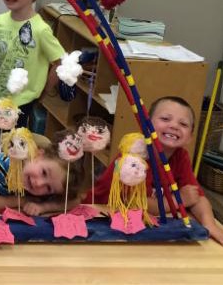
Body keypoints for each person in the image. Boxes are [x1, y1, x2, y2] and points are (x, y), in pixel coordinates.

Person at [87, 96, 223, 244]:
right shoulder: (134, 156)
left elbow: (196, 196)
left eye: (183, 124)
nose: (174, 126)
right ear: (147, 127)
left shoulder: (180, 156)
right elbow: (139, 205)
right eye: (165, 119)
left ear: (190, 137)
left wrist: (210, 225)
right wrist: (179, 199)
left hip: (139, 224)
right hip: (98, 218)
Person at [0, 0, 65, 152]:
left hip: (20, 102)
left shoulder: (41, 29)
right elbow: (0, 58)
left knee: (11, 149)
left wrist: (43, 91)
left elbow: (60, 62)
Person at [0, 133, 87, 216]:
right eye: (44, 172)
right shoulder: (2, 164)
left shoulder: (48, 181)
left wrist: (43, 207)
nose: (39, 183)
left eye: (49, 188)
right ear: (37, 154)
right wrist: (24, 201)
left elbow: (74, 201)